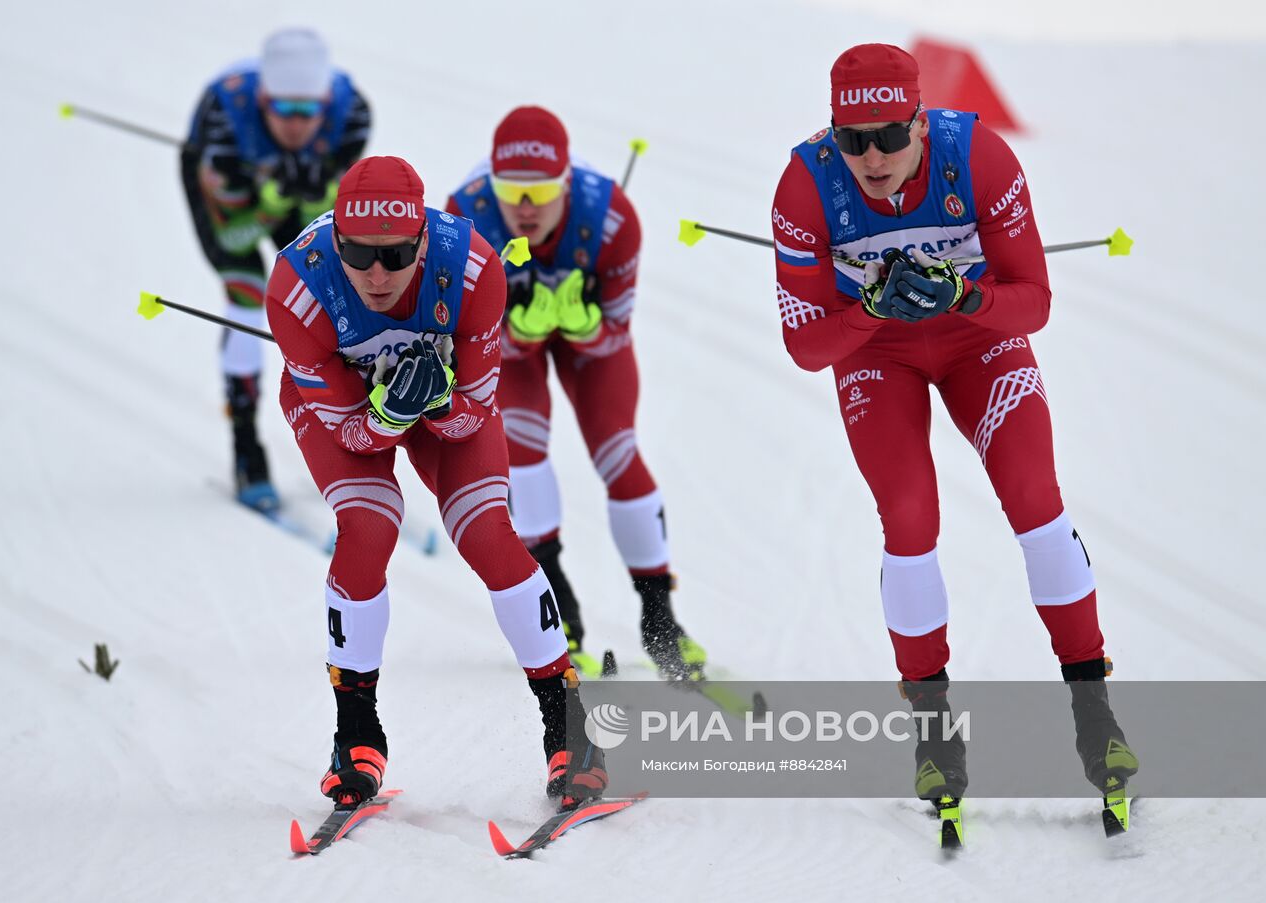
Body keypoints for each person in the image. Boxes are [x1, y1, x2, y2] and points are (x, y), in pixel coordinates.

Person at [769, 44, 1138, 806]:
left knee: (1036, 498)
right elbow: (807, 346)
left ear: (920, 122)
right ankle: (934, 734)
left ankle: (1093, 710)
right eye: (852, 138)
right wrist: (872, 308)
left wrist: (964, 297)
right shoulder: (804, 186)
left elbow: (1033, 302)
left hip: (980, 340)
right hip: (878, 353)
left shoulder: (981, 158)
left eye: (889, 137)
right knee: (908, 517)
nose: (872, 157)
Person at [263, 155, 605, 809]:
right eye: (359, 254)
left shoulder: (473, 269)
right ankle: (355, 735)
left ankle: (569, 725)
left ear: (423, 241)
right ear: (337, 239)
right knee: (368, 524)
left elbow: (469, 417)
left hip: (442, 409)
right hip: (349, 414)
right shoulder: (296, 289)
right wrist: (389, 409)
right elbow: (352, 436)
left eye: (395, 256)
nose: (376, 273)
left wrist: (435, 401)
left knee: (488, 535)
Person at [445, 106, 706, 682]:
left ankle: (661, 620)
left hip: (590, 348)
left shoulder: (612, 217)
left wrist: (586, 328)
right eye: (511, 190)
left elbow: (616, 329)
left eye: (540, 190)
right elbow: (464, 346)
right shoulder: (462, 220)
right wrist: (517, 332)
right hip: (509, 349)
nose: (526, 207)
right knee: (524, 455)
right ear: (492, 184)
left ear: (565, 182)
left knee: (618, 453)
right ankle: (561, 609)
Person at [181, 27, 371, 512]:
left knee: (328, 291)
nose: (296, 123)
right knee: (246, 293)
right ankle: (246, 446)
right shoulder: (225, 123)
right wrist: (269, 201)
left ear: (327, 104)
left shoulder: (352, 117)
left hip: (286, 189)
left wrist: (313, 195)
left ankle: (347, 437)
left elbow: (329, 226)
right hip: (231, 196)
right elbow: (234, 236)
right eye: (283, 109)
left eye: (309, 111)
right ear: (263, 100)